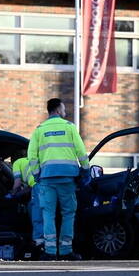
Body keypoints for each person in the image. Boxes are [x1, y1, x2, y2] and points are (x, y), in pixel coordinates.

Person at [27, 98, 88, 260]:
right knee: (68, 213)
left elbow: (32, 155)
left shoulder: (39, 130)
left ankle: (50, 251)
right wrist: (86, 169)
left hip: (47, 178)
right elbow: (81, 150)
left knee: (48, 214)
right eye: (64, 109)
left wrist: (36, 174)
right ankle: (66, 250)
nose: (65, 112)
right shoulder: (69, 127)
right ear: (58, 110)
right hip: (67, 178)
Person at [10, 154, 44, 259]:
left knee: (36, 216)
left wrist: (11, 194)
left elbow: (17, 183)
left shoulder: (16, 163)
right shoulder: (30, 161)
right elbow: (29, 187)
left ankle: (38, 244)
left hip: (38, 187)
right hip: (48, 184)